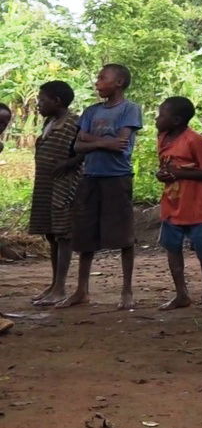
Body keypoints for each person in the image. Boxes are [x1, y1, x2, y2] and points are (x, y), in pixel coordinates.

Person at [57, 64, 143, 310]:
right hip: (91, 176)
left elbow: (122, 143)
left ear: (119, 83)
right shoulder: (90, 111)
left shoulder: (129, 109)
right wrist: (105, 142)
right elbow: (78, 147)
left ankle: (127, 290)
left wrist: (91, 141)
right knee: (85, 235)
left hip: (117, 177)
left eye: (102, 78)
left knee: (124, 235)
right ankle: (81, 290)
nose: (97, 82)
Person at [154, 96, 202, 312]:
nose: (156, 119)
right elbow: (167, 166)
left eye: (161, 115)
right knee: (172, 248)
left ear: (175, 120)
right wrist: (163, 175)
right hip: (172, 204)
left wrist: (180, 173)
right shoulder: (163, 137)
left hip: (197, 206)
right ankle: (181, 294)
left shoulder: (194, 140)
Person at [28, 81, 83, 307]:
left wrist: (68, 163)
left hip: (64, 184)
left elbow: (83, 152)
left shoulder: (74, 123)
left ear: (57, 101)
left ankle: (60, 287)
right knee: (50, 234)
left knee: (63, 234)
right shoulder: (49, 122)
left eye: (42, 100)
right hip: (45, 184)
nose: (39, 104)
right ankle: (53, 284)